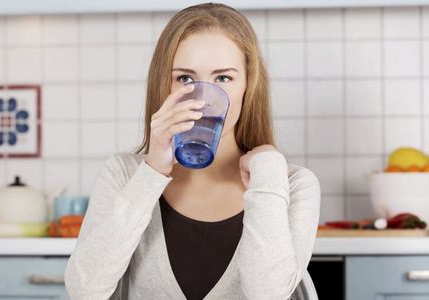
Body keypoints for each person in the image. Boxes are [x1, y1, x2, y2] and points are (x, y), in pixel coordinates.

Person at [64, 3, 321, 300]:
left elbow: (268, 294)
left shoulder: (292, 184)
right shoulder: (124, 174)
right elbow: (84, 291)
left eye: (223, 78)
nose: (203, 99)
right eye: (185, 79)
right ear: (165, 85)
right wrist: (152, 171)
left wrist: (267, 169)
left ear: (249, 85)